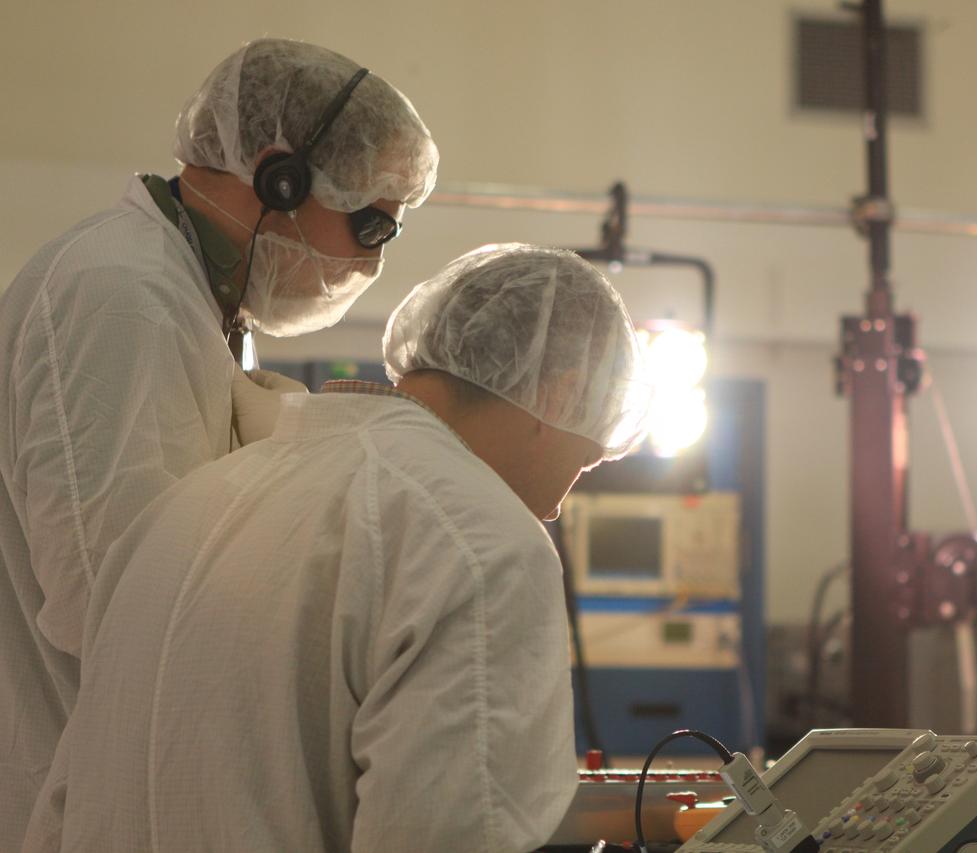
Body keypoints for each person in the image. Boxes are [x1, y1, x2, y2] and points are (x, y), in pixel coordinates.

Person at [24, 244, 652, 852]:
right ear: (563, 393)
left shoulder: (182, 509)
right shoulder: (482, 544)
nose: (555, 507)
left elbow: (60, 809)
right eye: (586, 462)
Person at [0, 38, 438, 849]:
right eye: (371, 221)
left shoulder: (199, 303)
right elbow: (117, 606)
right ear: (278, 177)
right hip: (70, 792)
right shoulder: (121, 297)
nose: (372, 258)